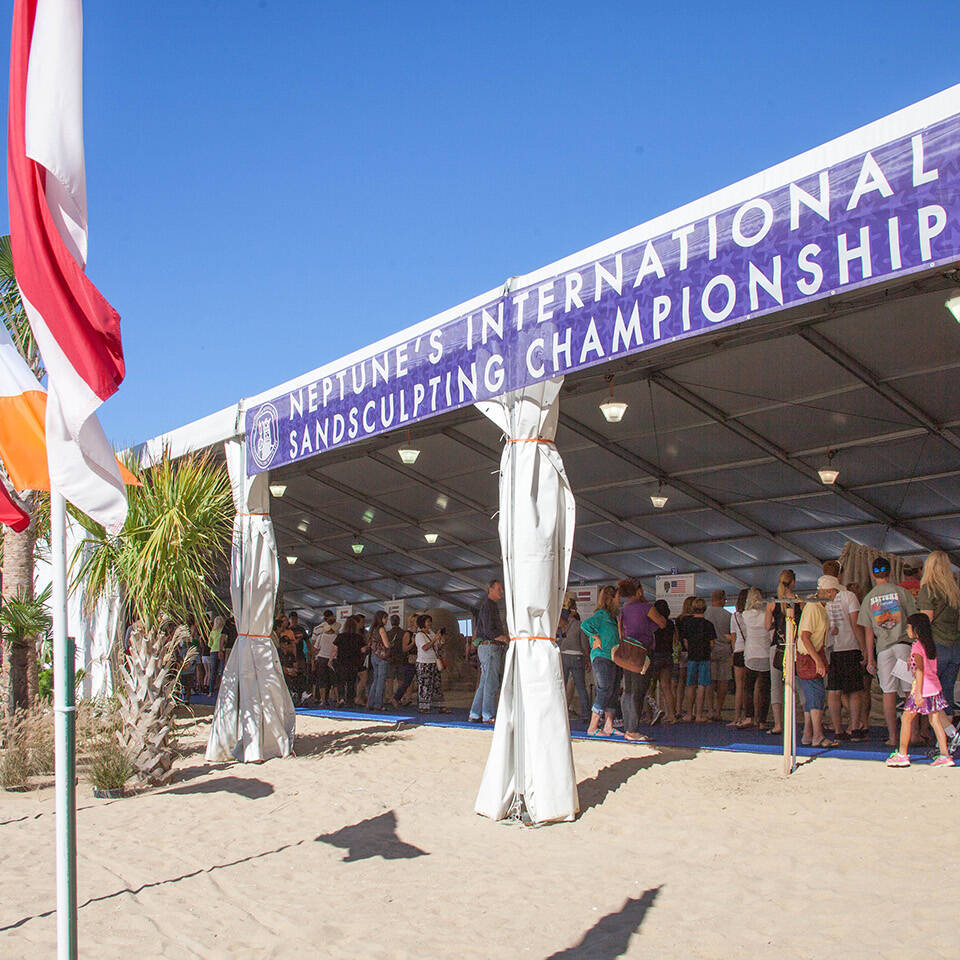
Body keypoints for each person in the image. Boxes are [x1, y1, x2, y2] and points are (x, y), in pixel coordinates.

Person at [859, 556, 916, 747]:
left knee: (888, 693)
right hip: (903, 646)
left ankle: (893, 737)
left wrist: (870, 658)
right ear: (890, 572)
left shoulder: (868, 598)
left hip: (883, 651)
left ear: (873, 574)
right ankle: (913, 735)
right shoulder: (901, 592)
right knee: (909, 692)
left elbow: (868, 632)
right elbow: (914, 620)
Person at [886, 614, 957, 767]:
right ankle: (945, 754)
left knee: (906, 719)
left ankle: (902, 754)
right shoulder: (930, 644)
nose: (907, 629)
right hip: (934, 687)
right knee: (935, 721)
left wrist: (918, 693)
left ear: (915, 629)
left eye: (908, 627)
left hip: (922, 688)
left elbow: (919, 670)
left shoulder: (917, 646)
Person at [822, 560, 867, 741]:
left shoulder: (823, 599)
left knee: (834, 690)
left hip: (833, 649)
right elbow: (856, 624)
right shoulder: (848, 596)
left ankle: (838, 729)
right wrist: (864, 648)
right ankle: (854, 726)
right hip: (850, 646)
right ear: (840, 574)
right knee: (855, 690)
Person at [617, 580, 667, 740]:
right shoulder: (646, 607)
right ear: (639, 591)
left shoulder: (623, 610)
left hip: (627, 650)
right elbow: (662, 623)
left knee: (629, 690)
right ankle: (633, 730)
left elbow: (621, 633)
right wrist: (650, 627)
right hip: (643, 651)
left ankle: (628, 727)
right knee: (638, 691)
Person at [917, 550, 960, 733]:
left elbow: (926, 621)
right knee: (947, 695)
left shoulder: (929, 589)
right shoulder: (955, 591)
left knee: (932, 695)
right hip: (955, 647)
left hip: (936, 646)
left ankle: (946, 738)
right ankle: (947, 742)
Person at [797, 576, 839, 749]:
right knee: (816, 696)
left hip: (812, 654)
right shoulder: (814, 607)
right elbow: (805, 636)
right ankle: (818, 735)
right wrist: (817, 661)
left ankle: (808, 733)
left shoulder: (820, 608)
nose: (836, 595)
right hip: (809, 656)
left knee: (813, 696)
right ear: (829, 591)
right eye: (835, 591)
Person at [581, 586, 622, 737]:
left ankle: (609, 726)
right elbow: (585, 625)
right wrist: (596, 637)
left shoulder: (612, 617)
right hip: (602, 656)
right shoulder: (601, 615)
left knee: (613, 690)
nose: (619, 600)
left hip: (613, 657)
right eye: (617, 597)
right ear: (610, 599)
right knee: (604, 689)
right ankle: (593, 726)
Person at [765, 570, 801, 736]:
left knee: (776, 688)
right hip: (794, 646)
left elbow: (767, 626)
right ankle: (798, 721)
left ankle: (779, 724)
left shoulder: (774, 602)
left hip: (777, 646)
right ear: (793, 582)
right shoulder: (799, 601)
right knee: (798, 686)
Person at [469, 580, 508, 724]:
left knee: (484, 682)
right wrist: (502, 638)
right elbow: (488, 630)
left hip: (487, 647)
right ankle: (488, 715)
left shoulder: (490, 606)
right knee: (491, 682)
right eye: (499, 588)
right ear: (490, 589)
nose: (501, 592)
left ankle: (475, 713)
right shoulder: (488, 607)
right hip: (491, 647)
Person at [740, 588, 772, 729]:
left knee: (748, 688)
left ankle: (749, 717)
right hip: (765, 653)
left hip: (751, 654)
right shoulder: (766, 615)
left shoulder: (745, 615)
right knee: (765, 689)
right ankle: (762, 720)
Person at [679, 598, 715, 722]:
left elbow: (685, 641)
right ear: (704, 608)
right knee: (702, 685)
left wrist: (691, 650)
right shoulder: (708, 624)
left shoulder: (687, 624)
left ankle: (689, 714)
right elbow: (712, 643)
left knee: (690, 685)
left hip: (692, 656)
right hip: (705, 656)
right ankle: (699, 714)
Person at [557, 605, 591, 724]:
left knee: (561, 686)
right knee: (581, 688)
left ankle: (558, 713)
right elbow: (584, 644)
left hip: (563, 655)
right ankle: (586, 715)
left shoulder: (560, 624)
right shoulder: (579, 625)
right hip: (577, 656)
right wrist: (587, 658)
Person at [705, 589, 734, 722]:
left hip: (709, 650)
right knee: (723, 681)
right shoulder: (728, 615)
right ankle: (718, 710)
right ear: (723, 599)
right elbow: (731, 635)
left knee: (709, 681)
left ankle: (710, 710)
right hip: (724, 650)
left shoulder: (706, 613)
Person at [649, 599, 677, 723]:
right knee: (666, 687)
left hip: (655, 656)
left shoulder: (653, 624)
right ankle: (671, 715)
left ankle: (650, 715)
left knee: (651, 688)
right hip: (667, 655)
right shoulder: (671, 624)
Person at [728, 588, 751, 728]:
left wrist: (733, 650)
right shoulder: (751, 615)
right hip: (750, 651)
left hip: (738, 650)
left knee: (739, 687)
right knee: (751, 686)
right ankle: (751, 716)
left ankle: (737, 717)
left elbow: (733, 636)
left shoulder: (735, 616)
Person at [332, 615, 364, 706]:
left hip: (341, 662)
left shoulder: (340, 636)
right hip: (354, 663)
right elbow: (363, 650)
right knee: (351, 682)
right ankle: (350, 700)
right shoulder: (358, 637)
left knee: (341, 681)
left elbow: (334, 649)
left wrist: (330, 660)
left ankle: (341, 698)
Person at [415, 614, 443, 713]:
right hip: (424, 663)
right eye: (427, 622)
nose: (430, 624)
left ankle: (438, 705)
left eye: (430, 621)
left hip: (433, 662)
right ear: (423, 623)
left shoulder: (431, 632)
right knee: (424, 685)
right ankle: (423, 706)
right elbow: (425, 647)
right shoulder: (419, 635)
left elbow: (436, 646)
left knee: (436, 684)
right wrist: (435, 639)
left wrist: (440, 641)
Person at [311, 611, 338, 706]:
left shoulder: (320, 635)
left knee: (322, 680)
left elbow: (315, 648)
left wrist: (314, 657)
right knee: (334, 681)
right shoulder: (336, 636)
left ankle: (323, 700)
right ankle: (337, 699)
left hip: (321, 658)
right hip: (333, 659)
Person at [392, 613, 419, 707]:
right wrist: (413, 643)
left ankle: (408, 698)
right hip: (409, 660)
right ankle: (396, 698)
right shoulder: (408, 634)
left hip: (418, 659)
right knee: (407, 681)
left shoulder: (420, 633)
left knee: (414, 681)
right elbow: (404, 649)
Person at [366, 610, 392, 710]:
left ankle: (370, 702)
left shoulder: (372, 629)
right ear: (381, 619)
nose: (386, 620)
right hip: (382, 657)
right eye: (385, 618)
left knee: (375, 680)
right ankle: (378, 704)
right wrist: (390, 645)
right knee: (381, 680)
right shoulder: (381, 629)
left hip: (374, 655)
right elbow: (386, 644)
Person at [385, 614, 406, 702]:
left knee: (390, 679)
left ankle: (390, 697)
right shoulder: (404, 633)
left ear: (391, 622)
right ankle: (399, 697)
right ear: (399, 622)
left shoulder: (388, 633)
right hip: (401, 658)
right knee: (401, 679)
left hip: (390, 658)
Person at [206, 615, 225, 696]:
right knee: (222, 671)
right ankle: (221, 690)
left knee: (213, 672)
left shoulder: (212, 632)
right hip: (222, 651)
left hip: (213, 651)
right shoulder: (223, 632)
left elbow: (209, 644)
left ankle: (211, 691)